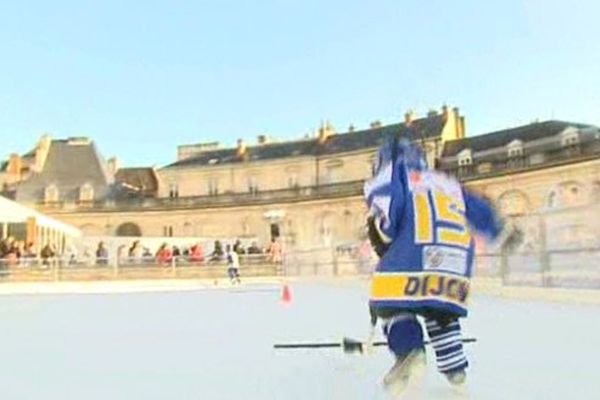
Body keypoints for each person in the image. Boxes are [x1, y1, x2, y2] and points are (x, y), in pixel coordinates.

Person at [364, 138, 521, 396]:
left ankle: (409, 353)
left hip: (412, 254)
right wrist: (500, 231)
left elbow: (389, 209)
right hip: (453, 263)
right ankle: (455, 369)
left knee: (392, 305)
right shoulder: (447, 183)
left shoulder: (391, 176)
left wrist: (383, 234)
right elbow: (478, 209)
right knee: (441, 313)